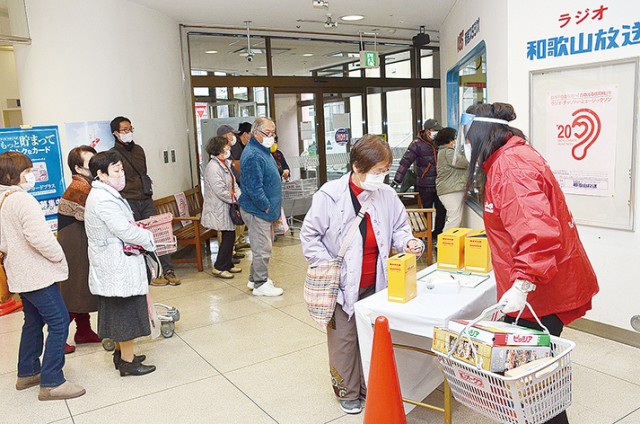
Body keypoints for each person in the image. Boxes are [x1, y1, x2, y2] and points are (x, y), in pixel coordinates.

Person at [465, 102, 599, 424]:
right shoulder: (509, 158)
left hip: (539, 293)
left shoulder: (511, 166)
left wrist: (523, 283)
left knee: (534, 385)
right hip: (535, 290)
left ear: (480, 135)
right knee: (532, 381)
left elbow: (536, 233)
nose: (466, 148)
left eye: (467, 140)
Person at [300, 135, 424, 415]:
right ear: (357, 167)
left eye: (385, 171)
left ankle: (371, 386)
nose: (382, 177)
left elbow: (399, 228)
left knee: (372, 337)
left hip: (376, 281)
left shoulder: (387, 195)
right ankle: (347, 391)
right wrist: (327, 264)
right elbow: (309, 236)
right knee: (343, 341)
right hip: (341, 283)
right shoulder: (329, 195)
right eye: (377, 171)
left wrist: (408, 242)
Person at [0, 151, 85, 401]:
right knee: (59, 321)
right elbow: (39, 238)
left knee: (33, 320)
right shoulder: (22, 200)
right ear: (12, 175)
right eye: (27, 171)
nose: (31, 175)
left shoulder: (3, 199)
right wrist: (59, 255)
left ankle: (27, 372)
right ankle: (52, 381)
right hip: (36, 273)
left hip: (19, 273)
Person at [85, 151, 157, 377]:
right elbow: (123, 229)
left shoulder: (105, 194)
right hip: (116, 264)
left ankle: (121, 354)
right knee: (126, 314)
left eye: (122, 170)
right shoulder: (103, 199)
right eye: (116, 170)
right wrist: (148, 238)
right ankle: (127, 362)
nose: (121, 174)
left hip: (113, 262)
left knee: (118, 312)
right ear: (101, 174)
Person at [110, 116, 180, 286]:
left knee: (158, 234)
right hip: (129, 201)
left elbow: (143, 172)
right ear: (116, 133)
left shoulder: (139, 150)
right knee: (137, 238)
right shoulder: (113, 154)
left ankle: (168, 270)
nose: (128, 132)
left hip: (146, 198)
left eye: (130, 129)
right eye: (124, 130)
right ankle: (150, 274)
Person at [57, 146, 101, 355]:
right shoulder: (80, 187)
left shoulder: (87, 184)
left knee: (82, 288)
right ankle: (57, 340)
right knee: (75, 290)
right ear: (78, 168)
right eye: (90, 162)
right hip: (74, 244)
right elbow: (91, 216)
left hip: (79, 240)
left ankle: (83, 331)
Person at [238, 117, 284, 296]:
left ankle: (253, 279)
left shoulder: (262, 150)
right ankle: (260, 284)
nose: (271, 137)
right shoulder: (253, 155)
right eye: (268, 133)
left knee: (261, 246)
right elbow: (253, 188)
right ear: (256, 133)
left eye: (273, 133)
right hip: (257, 210)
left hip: (264, 210)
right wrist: (266, 206)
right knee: (262, 248)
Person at [392, 119, 447, 240]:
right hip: (424, 184)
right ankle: (425, 234)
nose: (436, 132)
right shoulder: (416, 144)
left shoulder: (440, 142)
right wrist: (397, 180)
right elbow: (405, 162)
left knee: (441, 210)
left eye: (438, 130)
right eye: (434, 130)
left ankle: (437, 234)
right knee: (426, 211)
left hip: (440, 184)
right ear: (427, 131)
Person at [202, 135, 242, 279]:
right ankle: (219, 266)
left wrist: (239, 196)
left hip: (227, 205)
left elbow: (233, 183)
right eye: (226, 146)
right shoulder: (213, 167)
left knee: (230, 235)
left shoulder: (225, 164)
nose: (229, 148)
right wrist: (235, 199)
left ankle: (227, 264)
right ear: (219, 148)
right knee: (228, 236)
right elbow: (220, 190)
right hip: (219, 207)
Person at [435, 127, 468, 231]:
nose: (455, 141)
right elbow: (463, 163)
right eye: (454, 138)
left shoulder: (443, 151)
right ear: (449, 139)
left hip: (448, 190)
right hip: (450, 190)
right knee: (454, 219)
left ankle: (447, 239)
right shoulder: (448, 152)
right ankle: (445, 240)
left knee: (454, 218)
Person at [230, 122, 252, 252]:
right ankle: (236, 241)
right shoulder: (235, 147)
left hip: (241, 184)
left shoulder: (243, 146)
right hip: (236, 185)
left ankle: (240, 239)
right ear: (245, 134)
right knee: (238, 213)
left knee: (242, 212)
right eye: (250, 134)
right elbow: (234, 166)